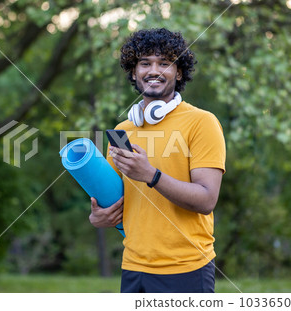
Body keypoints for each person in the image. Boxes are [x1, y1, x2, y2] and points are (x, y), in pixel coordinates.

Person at [89, 28, 226, 293]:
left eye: (165, 63)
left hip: (187, 269)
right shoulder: (122, 131)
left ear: (180, 72)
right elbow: (118, 201)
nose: (154, 70)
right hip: (133, 267)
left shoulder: (202, 122)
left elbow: (207, 199)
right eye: (145, 63)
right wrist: (98, 216)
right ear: (133, 72)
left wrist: (151, 175)